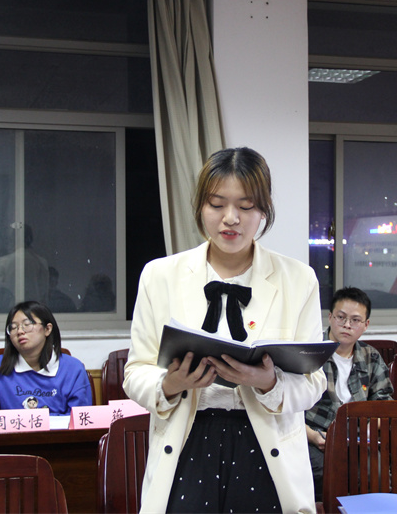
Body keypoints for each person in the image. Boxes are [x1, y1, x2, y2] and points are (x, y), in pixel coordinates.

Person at [123, 147, 327, 513]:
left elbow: (313, 383)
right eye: (216, 204)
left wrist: (269, 383)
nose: (230, 218)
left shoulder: (298, 279)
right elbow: (136, 372)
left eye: (246, 206)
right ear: (201, 206)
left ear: (264, 210)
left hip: (267, 444)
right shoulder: (160, 276)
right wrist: (171, 384)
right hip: (187, 439)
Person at [304, 287, 394, 501]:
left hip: (358, 439)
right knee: (328, 476)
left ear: (366, 325)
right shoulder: (309, 352)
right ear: (330, 317)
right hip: (314, 436)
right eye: (341, 317)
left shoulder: (371, 357)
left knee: (379, 477)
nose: (347, 325)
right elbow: (288, 407)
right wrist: (313, 436)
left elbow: (384, 404)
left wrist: (368, 431)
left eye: (355, 320)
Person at [0, 301, 91, 420]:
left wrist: (39, 422)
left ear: (47, 329)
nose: (20, 331)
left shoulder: (73, 369)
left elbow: (80, 421)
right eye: (13, 327)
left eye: (27, 324)